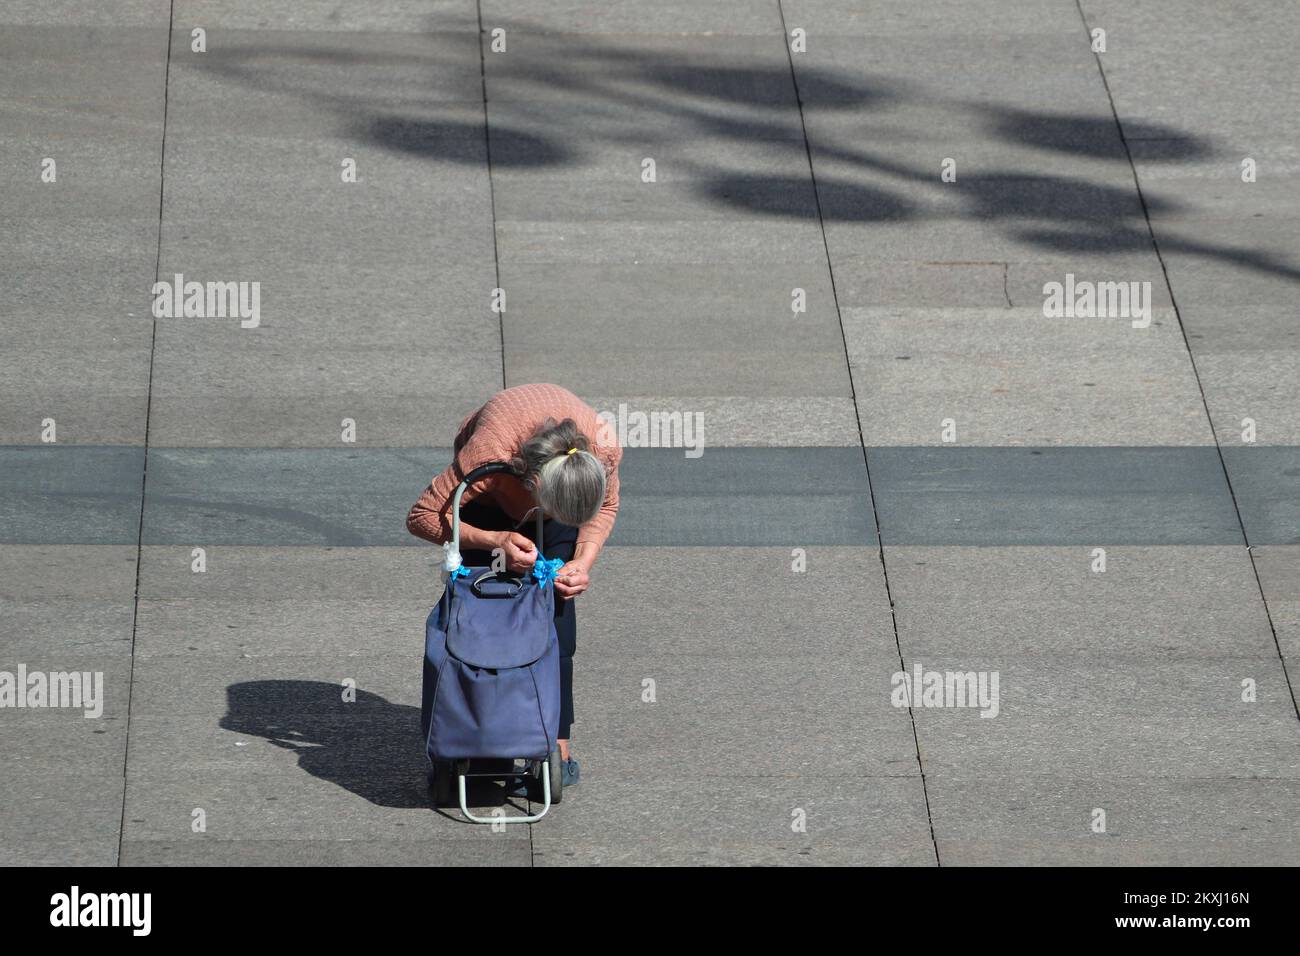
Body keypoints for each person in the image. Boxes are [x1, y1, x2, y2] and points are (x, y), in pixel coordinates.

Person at [406, 383, 622, 788]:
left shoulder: (603, 450)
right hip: (490, 501)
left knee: (556, 613)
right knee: (485, 615)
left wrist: (582, 561)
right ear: (534, 487)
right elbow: (422, 516)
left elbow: (605, 507)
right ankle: (480, 733)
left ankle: (556, 742)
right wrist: (494, 541)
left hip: (554, 483)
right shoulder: (489, 453)